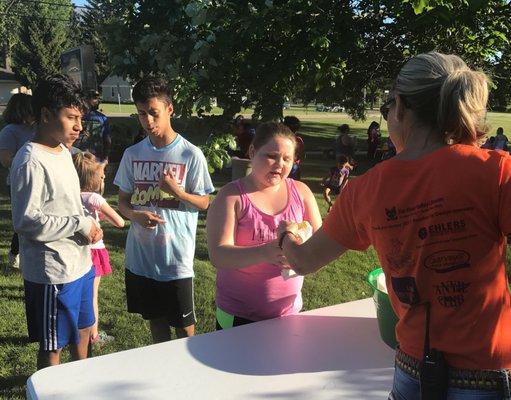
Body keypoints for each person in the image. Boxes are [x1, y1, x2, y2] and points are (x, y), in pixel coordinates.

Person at [278, 52, 511, 399]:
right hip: (488, 372)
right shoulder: (496, 171)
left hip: (413, 371)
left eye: (387, 107)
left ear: (400, 107)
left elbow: (303, 261)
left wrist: (287, 235)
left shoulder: (365, 189)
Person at [10, 74, 103, 369]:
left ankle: (80, 386)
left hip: (81, 264)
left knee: (86, 331)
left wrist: (86, 219)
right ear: (46, 114)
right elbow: (26, 221)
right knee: (54, 346)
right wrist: (78, 223)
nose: (79, 126)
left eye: (81, 118)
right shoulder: (29, 160)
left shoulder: (63, 150)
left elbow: (68, 203)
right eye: (71, 117)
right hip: (54, 273)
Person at [114, 77, 214, 343]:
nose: (148, 121)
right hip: (142, 258)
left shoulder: (190, 155)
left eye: (153, 113)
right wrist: (134, 215)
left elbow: (205, 203)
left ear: (170, 109)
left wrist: (178, 192)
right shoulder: (132, 154)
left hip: (175, 260)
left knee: (184, 330)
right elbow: (122, 201)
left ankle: (186, 377)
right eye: (141, 114)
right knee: (156, 323)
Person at [207, 122, 322, 329]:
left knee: (285, 362)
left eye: (287, 158)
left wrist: (300, 252)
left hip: (289, 312)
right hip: (238, 315)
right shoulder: (231, 196)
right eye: (271, 156)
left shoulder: (302, 192)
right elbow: (218, 255)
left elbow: (321, 244)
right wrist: (265, 253)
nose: (280, 164)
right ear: (252, 151)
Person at [73, 152, 124, 345]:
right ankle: (93, 335)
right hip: (94, 251)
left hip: (76, 250)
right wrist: (105, 216)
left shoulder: (71, 196)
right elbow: (119, 222)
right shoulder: (94, 198)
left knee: (76, 292)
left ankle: (75, 330)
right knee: (91, 295)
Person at [0, 93, 35, 270]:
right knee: (22, 219)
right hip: (16, 182)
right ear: (22, 110)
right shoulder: (9, 131)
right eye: (30, 109)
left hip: (36, 181)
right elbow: (6, 159)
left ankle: (28, 252)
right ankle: (15, 252)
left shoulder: (35, 129)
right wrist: (29, 161)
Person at [76, 90, 111, 163]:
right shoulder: (77, 115)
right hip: (76, 157)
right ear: (86, 99)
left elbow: (107, 140)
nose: (99, 100)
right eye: (95, 98)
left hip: (95, 159)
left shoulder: (102, 118)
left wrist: (105, 158)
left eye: (99, 98)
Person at [283, 115, 305, 180]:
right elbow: (301, 154)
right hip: (293, 165)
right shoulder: (298, 140)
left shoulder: (281, 139)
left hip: (286, 164)